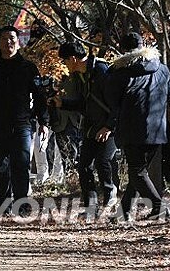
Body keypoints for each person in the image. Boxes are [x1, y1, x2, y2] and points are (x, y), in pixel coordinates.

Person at [98, 31, 170, 222]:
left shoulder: (119, 72)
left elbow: (112, 102)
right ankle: (124, 212)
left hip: (132, 128)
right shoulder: (162, 68)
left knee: (137, 172)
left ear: (122, 50)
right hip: (158, 128)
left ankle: (159, 208)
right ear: (143, 45)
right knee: (138, 171)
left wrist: (111, 123)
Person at [0, 24, 47, 215]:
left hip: (22, 124)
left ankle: (22, 203)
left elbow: (40, 95)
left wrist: (44, 122)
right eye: (4, 39)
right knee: (0, 167)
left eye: (12, 38)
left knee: (21, 164)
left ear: (18, 42)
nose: (8, 42)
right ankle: (4, 204)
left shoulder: (28, 67)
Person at [56, 41, 118, 218]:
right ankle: (91, 208)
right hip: (91, 127)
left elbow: (116, 102)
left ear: (73, 58)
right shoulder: (80, 76)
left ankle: (110, 199)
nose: (65, 66)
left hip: (108, 126)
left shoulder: (101, 70)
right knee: (83, 166)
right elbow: (86, 104)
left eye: (65, 61)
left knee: (103, 161)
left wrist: (109, 126)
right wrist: (63, 104)